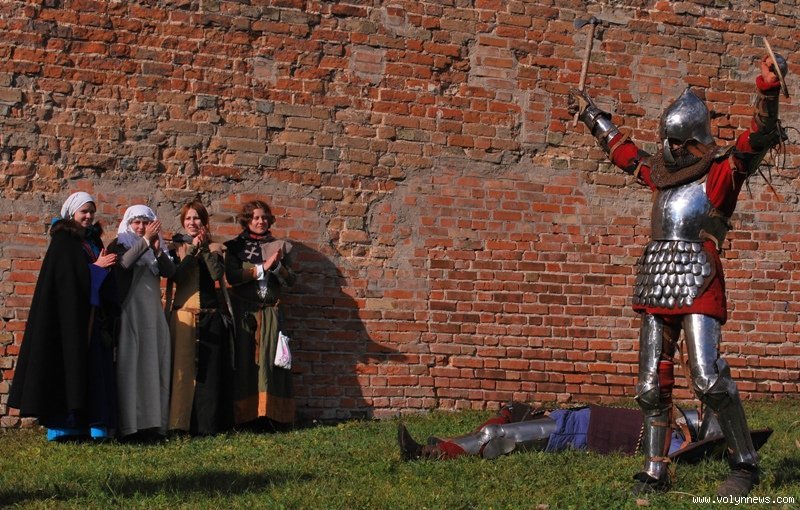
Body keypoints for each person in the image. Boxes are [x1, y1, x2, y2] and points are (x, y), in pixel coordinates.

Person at [568, 54, 789, 496]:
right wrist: (592, 115)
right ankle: (656, 469)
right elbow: (626, 155)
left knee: (708, 377)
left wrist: (767, 90)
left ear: (695, 139)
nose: (668, 148)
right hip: (657, 279)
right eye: (666, 140)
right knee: (650, 384)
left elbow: (758, 137)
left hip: (698, 278)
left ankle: (744, 463)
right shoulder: (663, 175)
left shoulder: (721, 173)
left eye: (676, 141)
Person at [8, 192, 119, 441]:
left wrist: (103, 272)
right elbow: (66, 280)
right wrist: (96, 269)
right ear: (71, 214)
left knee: (93, 371)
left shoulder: (93, 241)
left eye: (91, 212)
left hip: (91, 317)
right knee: (68, 370)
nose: (88, 216)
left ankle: (94, 425)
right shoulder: (63, 241)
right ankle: (65, 427)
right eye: (84, 212)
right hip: (67, 322)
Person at [397, 402, 772, 464]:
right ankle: (451, 445)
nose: (696, 411)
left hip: (571, 434)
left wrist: (701, 445)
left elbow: (679, 456)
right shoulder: (665, 423)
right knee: (510, 413)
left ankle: (431, 454)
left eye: (701, 415)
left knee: (497, 435)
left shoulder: (670, 441)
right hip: (570, 418)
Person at [225, 199, 297, 428]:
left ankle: (270, 417)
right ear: (247, 220)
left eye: (264, 217)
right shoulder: (235, 247)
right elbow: (232, 278)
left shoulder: (280, 246)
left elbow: (291, 280)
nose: (261, 221)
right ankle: (245, 417)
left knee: (272, 363)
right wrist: (261, 268)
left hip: (271, 313)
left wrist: (277, 267)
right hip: (245, 312)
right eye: (256, 217)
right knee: (245, 361)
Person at [166, 200, 234, 436]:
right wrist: (191, 250)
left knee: (209, 372)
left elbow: (216, 274)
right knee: (181, 370)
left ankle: (207, 425)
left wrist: (204, 249)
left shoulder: (215, 248)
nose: (192, 222)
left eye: (196, 218)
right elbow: (178, 277)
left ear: (204, 222)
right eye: (188, 219)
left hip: (210, 316)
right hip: (183, 316)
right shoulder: (176, 248)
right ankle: (179, 423)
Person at [109, 205, 175, 440]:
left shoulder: (157, 246)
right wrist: (146, 240)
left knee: (154, 365)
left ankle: (153, 424)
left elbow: (170, 272)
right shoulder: (119, 244)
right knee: (130, 366)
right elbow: (125, 264)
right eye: (136, 222)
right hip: (131, 312)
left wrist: (157, 250)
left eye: (145, 222)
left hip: (152, 315)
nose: (140, 227)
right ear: (128, 223)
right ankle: (129, 426)